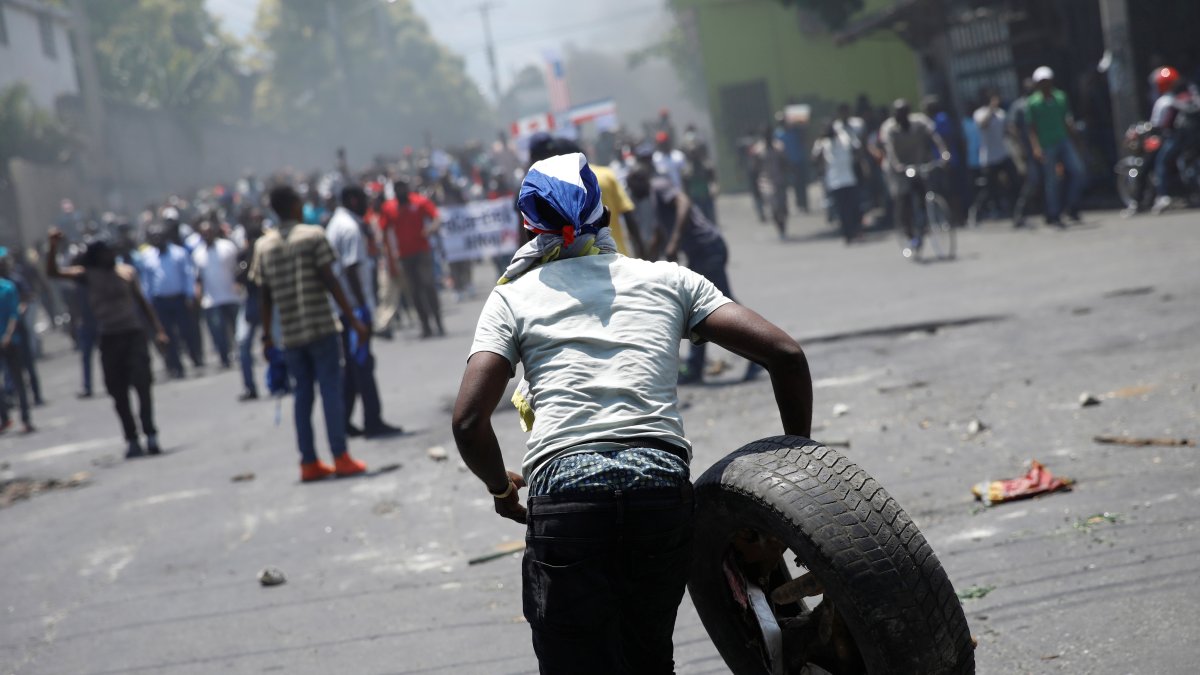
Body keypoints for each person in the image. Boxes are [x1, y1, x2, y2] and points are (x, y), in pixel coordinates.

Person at [452, 151, 813, 674]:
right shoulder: (669, 279)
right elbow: (785, 355)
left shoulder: (513, 297)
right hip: (661, 496)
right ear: (602, 212)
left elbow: (467, 421)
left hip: (567, 503)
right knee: (648, 657)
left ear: (527, 225)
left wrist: (502, 490)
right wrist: (799, 463)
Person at [252, 185, 370, 482]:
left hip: (290, 335)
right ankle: (340, 456)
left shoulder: (263, 246)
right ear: (294, 206)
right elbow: (330, 280)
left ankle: (308, 462)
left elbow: (264, 296)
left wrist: (267, 336)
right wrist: (354, 320)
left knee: (302, 397)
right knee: (330, 390)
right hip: (321, 327)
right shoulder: (313, 236)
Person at [627, 161, 762, 385]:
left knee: (722, 306)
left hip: (706, 246)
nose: (632, 193)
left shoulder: (659, 186)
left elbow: (683, 202)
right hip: (700, 252)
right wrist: (645, 263)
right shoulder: (654, 197)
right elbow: (660, 232)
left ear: (641, 181)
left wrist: (676, 240)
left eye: (632, 187)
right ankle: (696, 366)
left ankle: (758, 353)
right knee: (700, 307)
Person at [47, 230, 168, 457]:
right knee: (118, 392)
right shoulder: (87, 275)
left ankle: (150, 433)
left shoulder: (126, 273)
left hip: (133, 333)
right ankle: (131, 438)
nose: (110, 255)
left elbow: (143, 303)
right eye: (106, 252)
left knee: (143, 386)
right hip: (110, 337)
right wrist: (53, 247)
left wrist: (159, 330)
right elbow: (53, 272)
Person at [326, 185, 403, 439]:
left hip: (345, 308)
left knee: (352, 366)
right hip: (353, 310)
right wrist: (360, 311)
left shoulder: (339, 224)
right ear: (352, 199)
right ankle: (373, 420)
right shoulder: (348, 228)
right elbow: (351, 270)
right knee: (362, 365)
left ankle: (344, 420)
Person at [879, 99, 951, 257]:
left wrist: (943, 153)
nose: (901, 117)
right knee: (904, 198)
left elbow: (934, 137)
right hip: (898, 168)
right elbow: (890, 151)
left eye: (904, 113)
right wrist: (898, 166)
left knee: (924, 193)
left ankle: (925, 220)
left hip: (919, 164)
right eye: (898, 114)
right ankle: (909, 233)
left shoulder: (919, 122)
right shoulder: (889, 128)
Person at [379, 178, 444, 338]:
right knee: (414, 291)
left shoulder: (419, 202)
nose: (401, 191)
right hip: (404, 256)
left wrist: (431, 229)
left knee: (428, 285)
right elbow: (384, 231)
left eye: (403, 187)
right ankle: (425, 325)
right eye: (397, 188)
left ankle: (438, 321)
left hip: (422, 252)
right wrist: (388, 255)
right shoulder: (389, 208)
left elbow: (436, 217)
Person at [141, 224, 204, 377]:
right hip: (160, 301)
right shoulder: (147, 256)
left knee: (186, 331)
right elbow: (146, 282)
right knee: (167, 335)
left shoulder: (178, 253)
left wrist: (190, 295)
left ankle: (195, 358)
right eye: (154, 238)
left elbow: (188, 275)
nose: (157, 240)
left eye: (159, 237)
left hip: (179, 299)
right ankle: (176, 366)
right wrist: (147, 302)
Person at [1027, 66, 1085, 226]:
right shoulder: (1033, 102)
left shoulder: (1060, 97)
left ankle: (1072, 207)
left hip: (1063, 140)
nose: (1044, 84)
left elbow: (1067, 120)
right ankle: (1054, 214)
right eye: (1041, 82)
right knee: (1051, 181)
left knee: (1078, 172)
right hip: (1046, 144)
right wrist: (1036, 147)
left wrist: (1075, 139)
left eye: (1046, 81)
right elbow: (1031, 128)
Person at [1149, 67, 1199, 214]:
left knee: (1161, 163)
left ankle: (1163, 196)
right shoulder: (1190, 97)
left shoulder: (1164, 101)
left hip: (1177, 139)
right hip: (1195, 138)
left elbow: (1157, 124)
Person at [192, 220, 241, 370]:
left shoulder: (227, 247)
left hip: (232, 296)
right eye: (204, 234)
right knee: (217, 331)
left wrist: (239, 283)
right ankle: (224, 357)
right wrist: (198, 295)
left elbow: (239, 266)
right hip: (212, 299)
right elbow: (198, 278)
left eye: (209, 232)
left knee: (237, 330)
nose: (207, 236)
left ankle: (241, 354)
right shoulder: (197, 254)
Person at [812, 107, 864, 244]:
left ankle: (856, 230)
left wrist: (857, 162)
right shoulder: (822, 143)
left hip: (849, 178)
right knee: (842, 211)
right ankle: (847, 235)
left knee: (854, 208)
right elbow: (814, 159)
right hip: (835, 181)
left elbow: (857, 147)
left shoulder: (844, 137)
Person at [972, 93, 1020, 224]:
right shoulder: (979, 113)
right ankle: (985, 212)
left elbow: (1007, 130)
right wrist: (991, 110)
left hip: (1003, 154)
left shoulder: (1001, 114)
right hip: (989, 158)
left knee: (1014, 182)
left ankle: (1015, 212)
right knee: (990, 189)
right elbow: (983, 125)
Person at [235, 208, 265, 401]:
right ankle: (250, 387)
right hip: (252, 302)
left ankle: (286, 379)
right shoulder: (244, 256)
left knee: (280, 344)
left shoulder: (268, 253)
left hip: (269, 301)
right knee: (243, 346)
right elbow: (240, 278)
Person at [0, 262, 33, 434]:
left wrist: (7, 335)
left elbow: (14, 314)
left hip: (11, 341)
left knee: (19, 381)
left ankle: (26, 419)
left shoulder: (8, 288)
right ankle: (5, 418)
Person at [1008, 78, 1042, 228]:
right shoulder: (1019, 106)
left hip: (1044, 148)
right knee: (1032, 182)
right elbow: (1011, 128)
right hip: (1028, 151)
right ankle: (1019, 214)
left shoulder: (1040, 102)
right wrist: (1020, 147)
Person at [753, 125, 790, 238]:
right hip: (766, 182)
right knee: (774, 207)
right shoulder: (758, 149)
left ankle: (783, 224)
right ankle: (779, 228)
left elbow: (785, 162)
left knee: (783, 207)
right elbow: (755, 167)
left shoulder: (779, 146)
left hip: (779, 180)